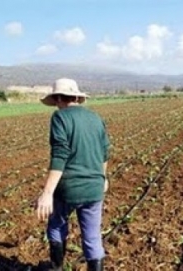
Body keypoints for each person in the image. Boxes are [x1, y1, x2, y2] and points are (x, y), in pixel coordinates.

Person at [36, 78, 110, 271]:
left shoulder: (60, 118)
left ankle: (57, 268)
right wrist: (103, 177)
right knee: (93, 236)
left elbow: (60, 154)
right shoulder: (96, 118)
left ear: (58, 98)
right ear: (77, 97)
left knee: (56, 226)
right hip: (94, 187)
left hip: (69, 188)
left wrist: (47, 193)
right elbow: (104, 152)